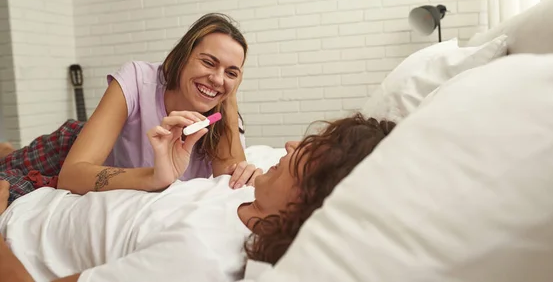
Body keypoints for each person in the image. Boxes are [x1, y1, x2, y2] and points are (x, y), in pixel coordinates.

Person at [0, 113, 396, 282]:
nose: (290, 145)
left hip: (12, 229)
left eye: (309, 149)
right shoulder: (246, 187)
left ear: (318, 191)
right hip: (38, 193)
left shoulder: (199, 258)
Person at [0, 13, 261, 205]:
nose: (217, 78)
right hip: (69, 146)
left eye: (231, 72)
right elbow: (72, 174)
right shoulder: (138, 78)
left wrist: (228, 98)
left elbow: (231, 181)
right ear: (182, 57)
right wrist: (155, 177)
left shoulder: (224, 119)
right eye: (208, 62)